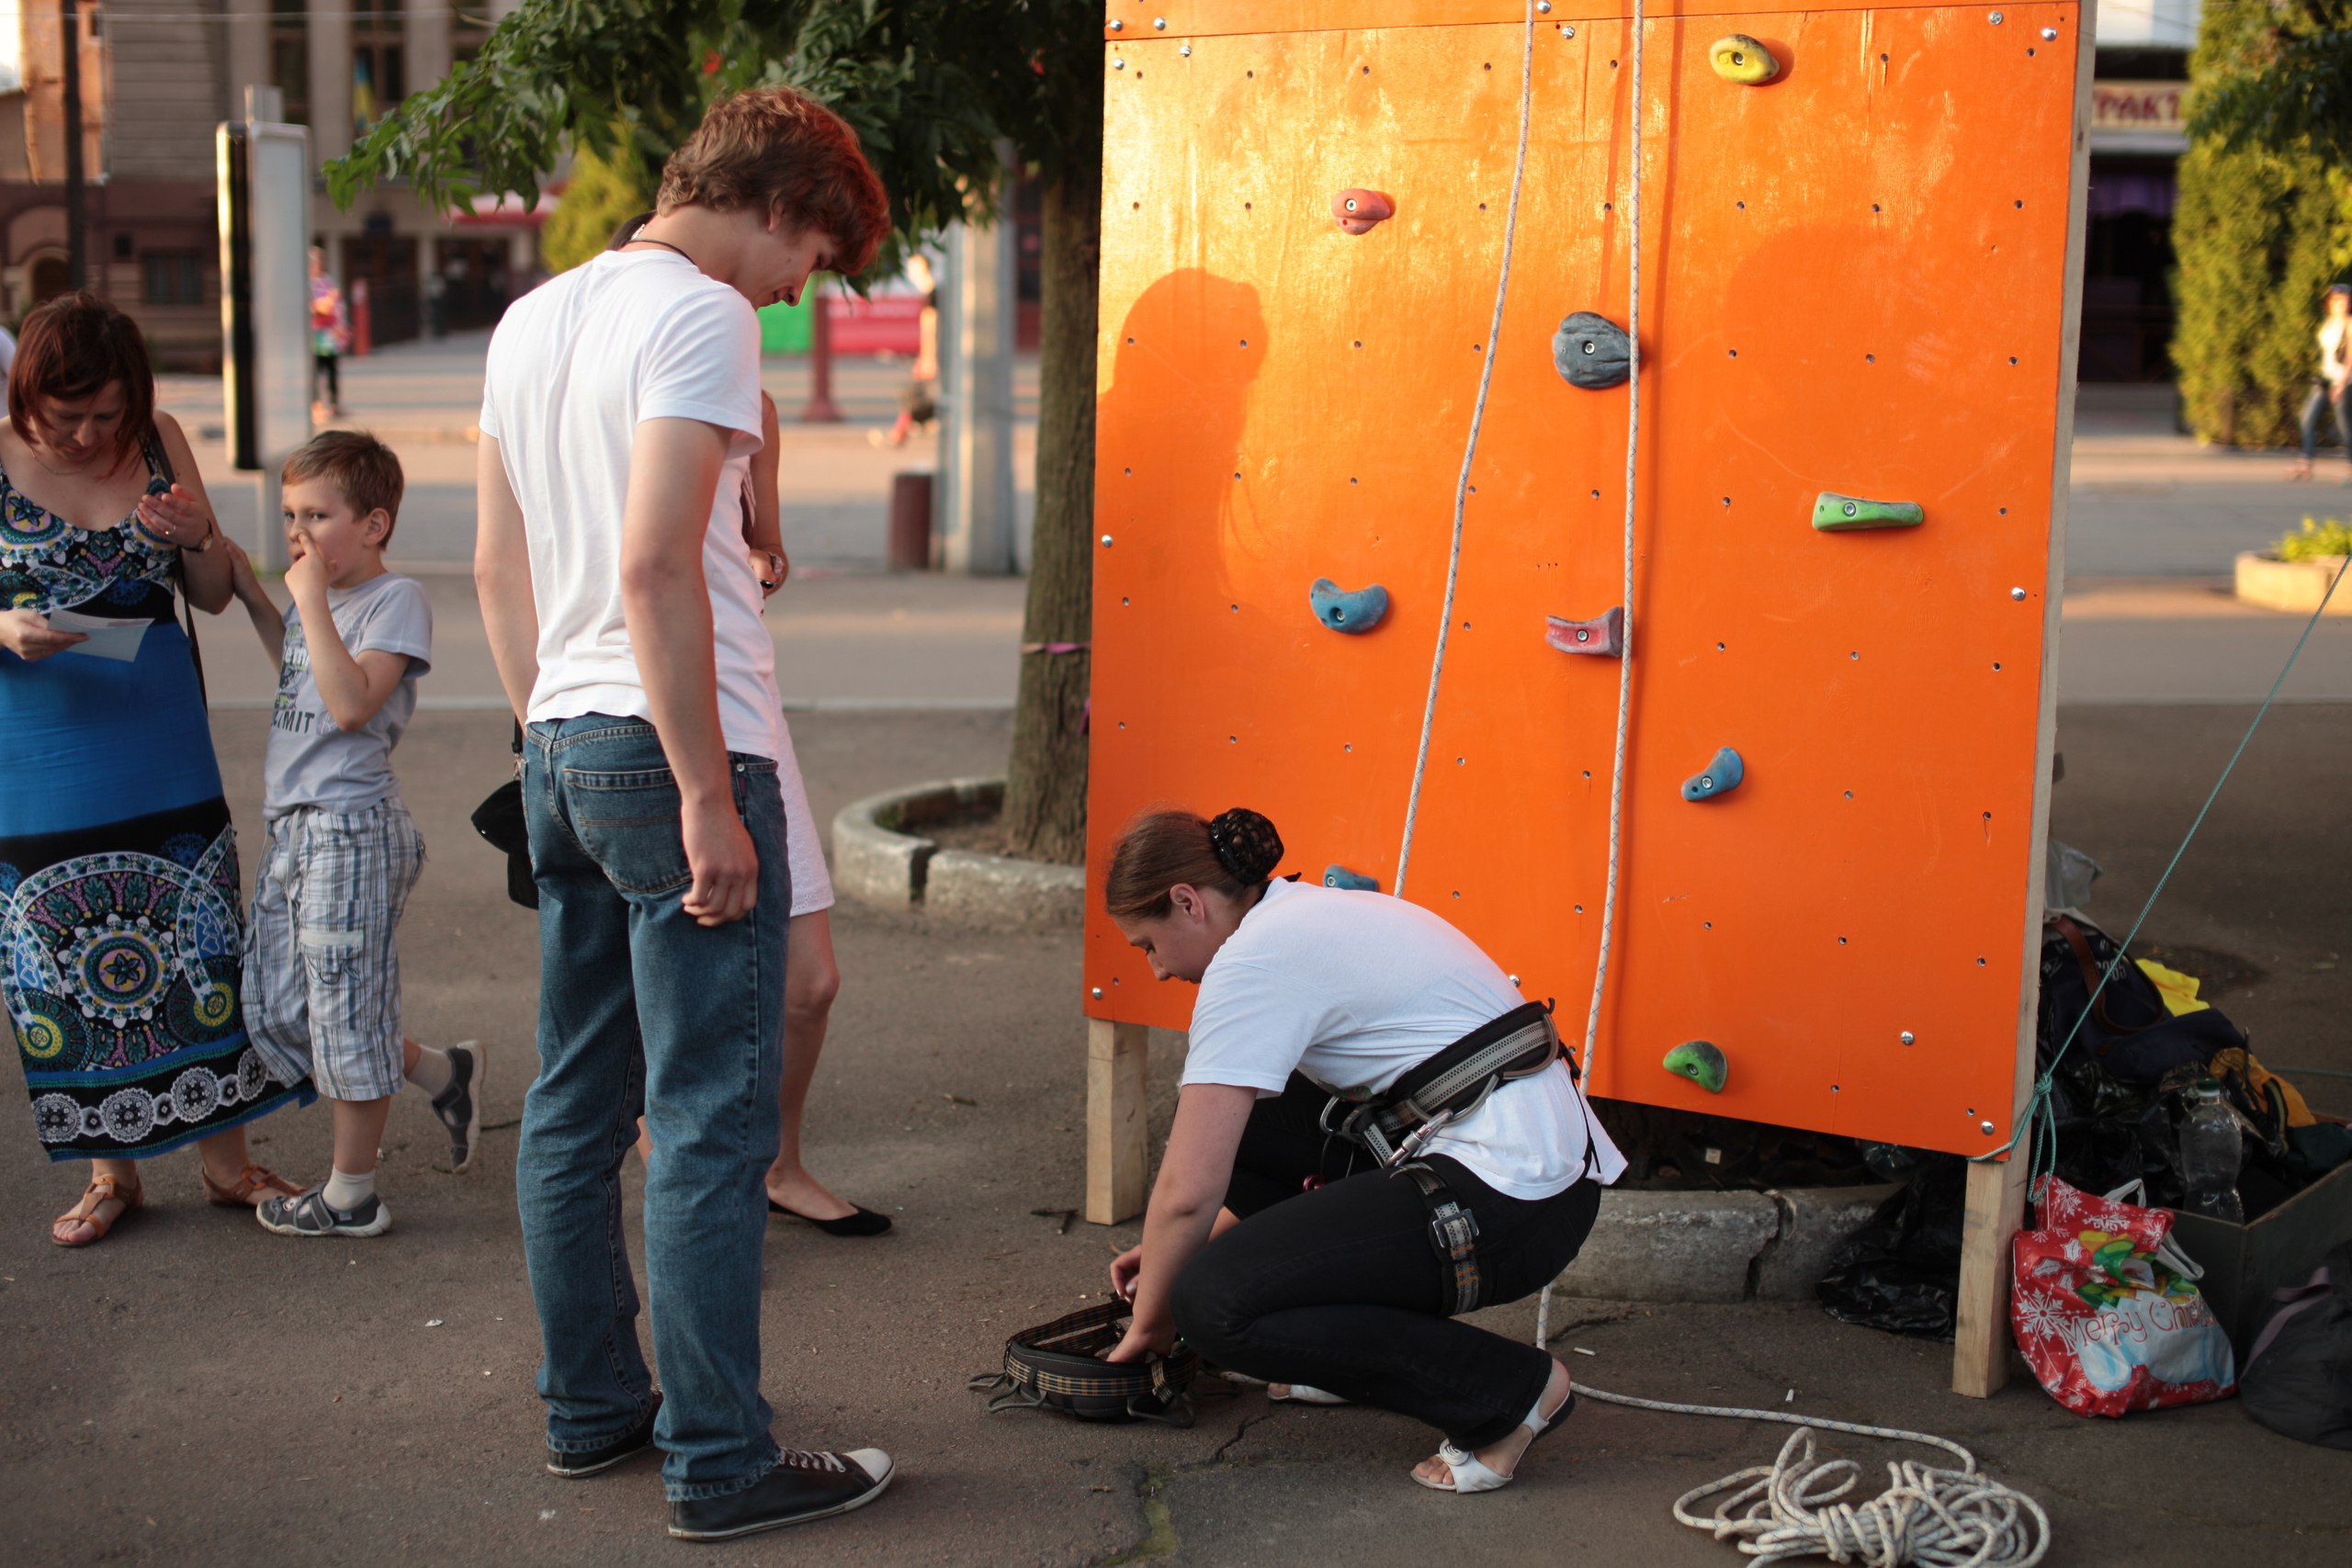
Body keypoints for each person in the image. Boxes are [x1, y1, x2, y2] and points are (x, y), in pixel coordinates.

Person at [475, 85, 896, 1541]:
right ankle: (722, 1459)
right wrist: (709, 791)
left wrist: (548, 734)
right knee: (712, 1122)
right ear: (779, 205)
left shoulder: (534, 317)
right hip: (674, 745)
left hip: (565, 736)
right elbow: (658, 565)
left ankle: (592, 1408)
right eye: (814, 261)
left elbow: (493, 564)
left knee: (578, 1102)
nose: (799, 295)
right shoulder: (704, 314)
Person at [1099, 807, 1626, 1495]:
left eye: (1147, 945)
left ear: (1187, 901)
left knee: (1215, 1306)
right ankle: (1341, 1355)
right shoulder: (1303, 911)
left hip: (1511, 1198)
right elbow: (1236, 1163)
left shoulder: (1252, 963)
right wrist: (1188, 1248)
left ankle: (1506, 1396)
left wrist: (1157, 1319)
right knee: (1255, 1115)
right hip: (1546, 1171)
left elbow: (1185, 1192)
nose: (1158, 969)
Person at [0, 292, 312, 1246]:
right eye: (68, 419)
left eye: (107, 415)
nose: (91, 435)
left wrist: (196, 540)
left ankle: (227, 1161)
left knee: (196, 939)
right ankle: (112, 1169)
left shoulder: (161, 439)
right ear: (26, 399)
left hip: (161, 733)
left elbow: (213, 595)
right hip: (40, 744)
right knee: (62, 950)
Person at [215, 430, 482, 1235]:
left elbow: (352, 702)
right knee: (285, 1006)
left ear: (373, 524)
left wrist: (301, 601)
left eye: (318, 515)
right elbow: (301, 664)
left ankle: (351, 1195)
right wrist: (263, 598)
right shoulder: (318, 603)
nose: (298, 532)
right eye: (291, 514)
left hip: (350, 831)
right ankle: (442, 1073)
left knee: (344, 1013)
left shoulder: (395, 599)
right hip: (295, 829)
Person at [869, 253, 937, 448]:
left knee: (914, 397)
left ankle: (900, 434)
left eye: (914, 269)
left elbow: (931, 329)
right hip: (934, 356)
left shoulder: (932, 295)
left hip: (934, 357)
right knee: (915, 397)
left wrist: (928, 359)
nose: (911, 274)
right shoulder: (932, 294)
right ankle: (903, 432)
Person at [2289, 284, 2352, 482]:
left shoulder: (2350, 324)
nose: (2341, 304)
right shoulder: (2328, 323)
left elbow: (2351, 357)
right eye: (2337, 300)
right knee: (2307, 419)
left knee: (2345, 426)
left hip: (2343, 380)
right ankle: (2305, 465)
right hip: (2325, 379)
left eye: (2345, 300)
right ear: (2330, 302)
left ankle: (2350, 468)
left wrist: (2341, 384)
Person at [310, 247, 350, 421]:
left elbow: (337, 305)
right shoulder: (307, 284)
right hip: (315, 334)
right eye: (315, 261)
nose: (318, 264)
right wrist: (324, 305)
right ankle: (316, 405)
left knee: (332, 370)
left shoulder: (328, 282)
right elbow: (315, 308)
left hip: (330, 334)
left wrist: (341, 326)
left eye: (320, 261)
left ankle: (334, 404)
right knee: (315, 371)